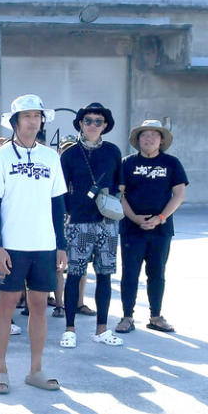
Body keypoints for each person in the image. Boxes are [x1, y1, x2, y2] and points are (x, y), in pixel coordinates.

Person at [0, 94, 68, 394]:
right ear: (15, 121)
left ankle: (36, 369)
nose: (32, 121)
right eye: (26, 116)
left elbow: (58, 204)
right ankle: (0, 369)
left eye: (37, 116)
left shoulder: (51, 157)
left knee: (39, 308)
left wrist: (61, 244)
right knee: (5, 308)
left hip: (44, 246)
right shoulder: (0, 158)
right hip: (12, 246)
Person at [59, 103, 124, 348]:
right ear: (80, 124)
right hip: (79, 222)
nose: (93, 125)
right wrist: (70, 211)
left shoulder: (113, 151)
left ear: (105, 125)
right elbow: (61, 189)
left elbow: (120, 186)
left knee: (105, 275)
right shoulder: (70, 154)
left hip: (107, 222)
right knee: (75, 274)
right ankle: (70, 328)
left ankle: (102, 328)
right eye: (88, 121)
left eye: (98, 121)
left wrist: (114, 205)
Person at [116, 120, 187, 334]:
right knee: (130, 274)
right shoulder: (127, 163)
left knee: (157, 273)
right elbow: (120, 194)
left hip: (161, 230)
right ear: (137, 140)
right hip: (131, 228)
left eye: (154, 135)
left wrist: (161, 217)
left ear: (161, 140)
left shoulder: (172, 163)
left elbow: (179, 195)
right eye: (144, 135)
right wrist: (135, 218)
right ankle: (127, 317)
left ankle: (156, 316)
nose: (149, 139)